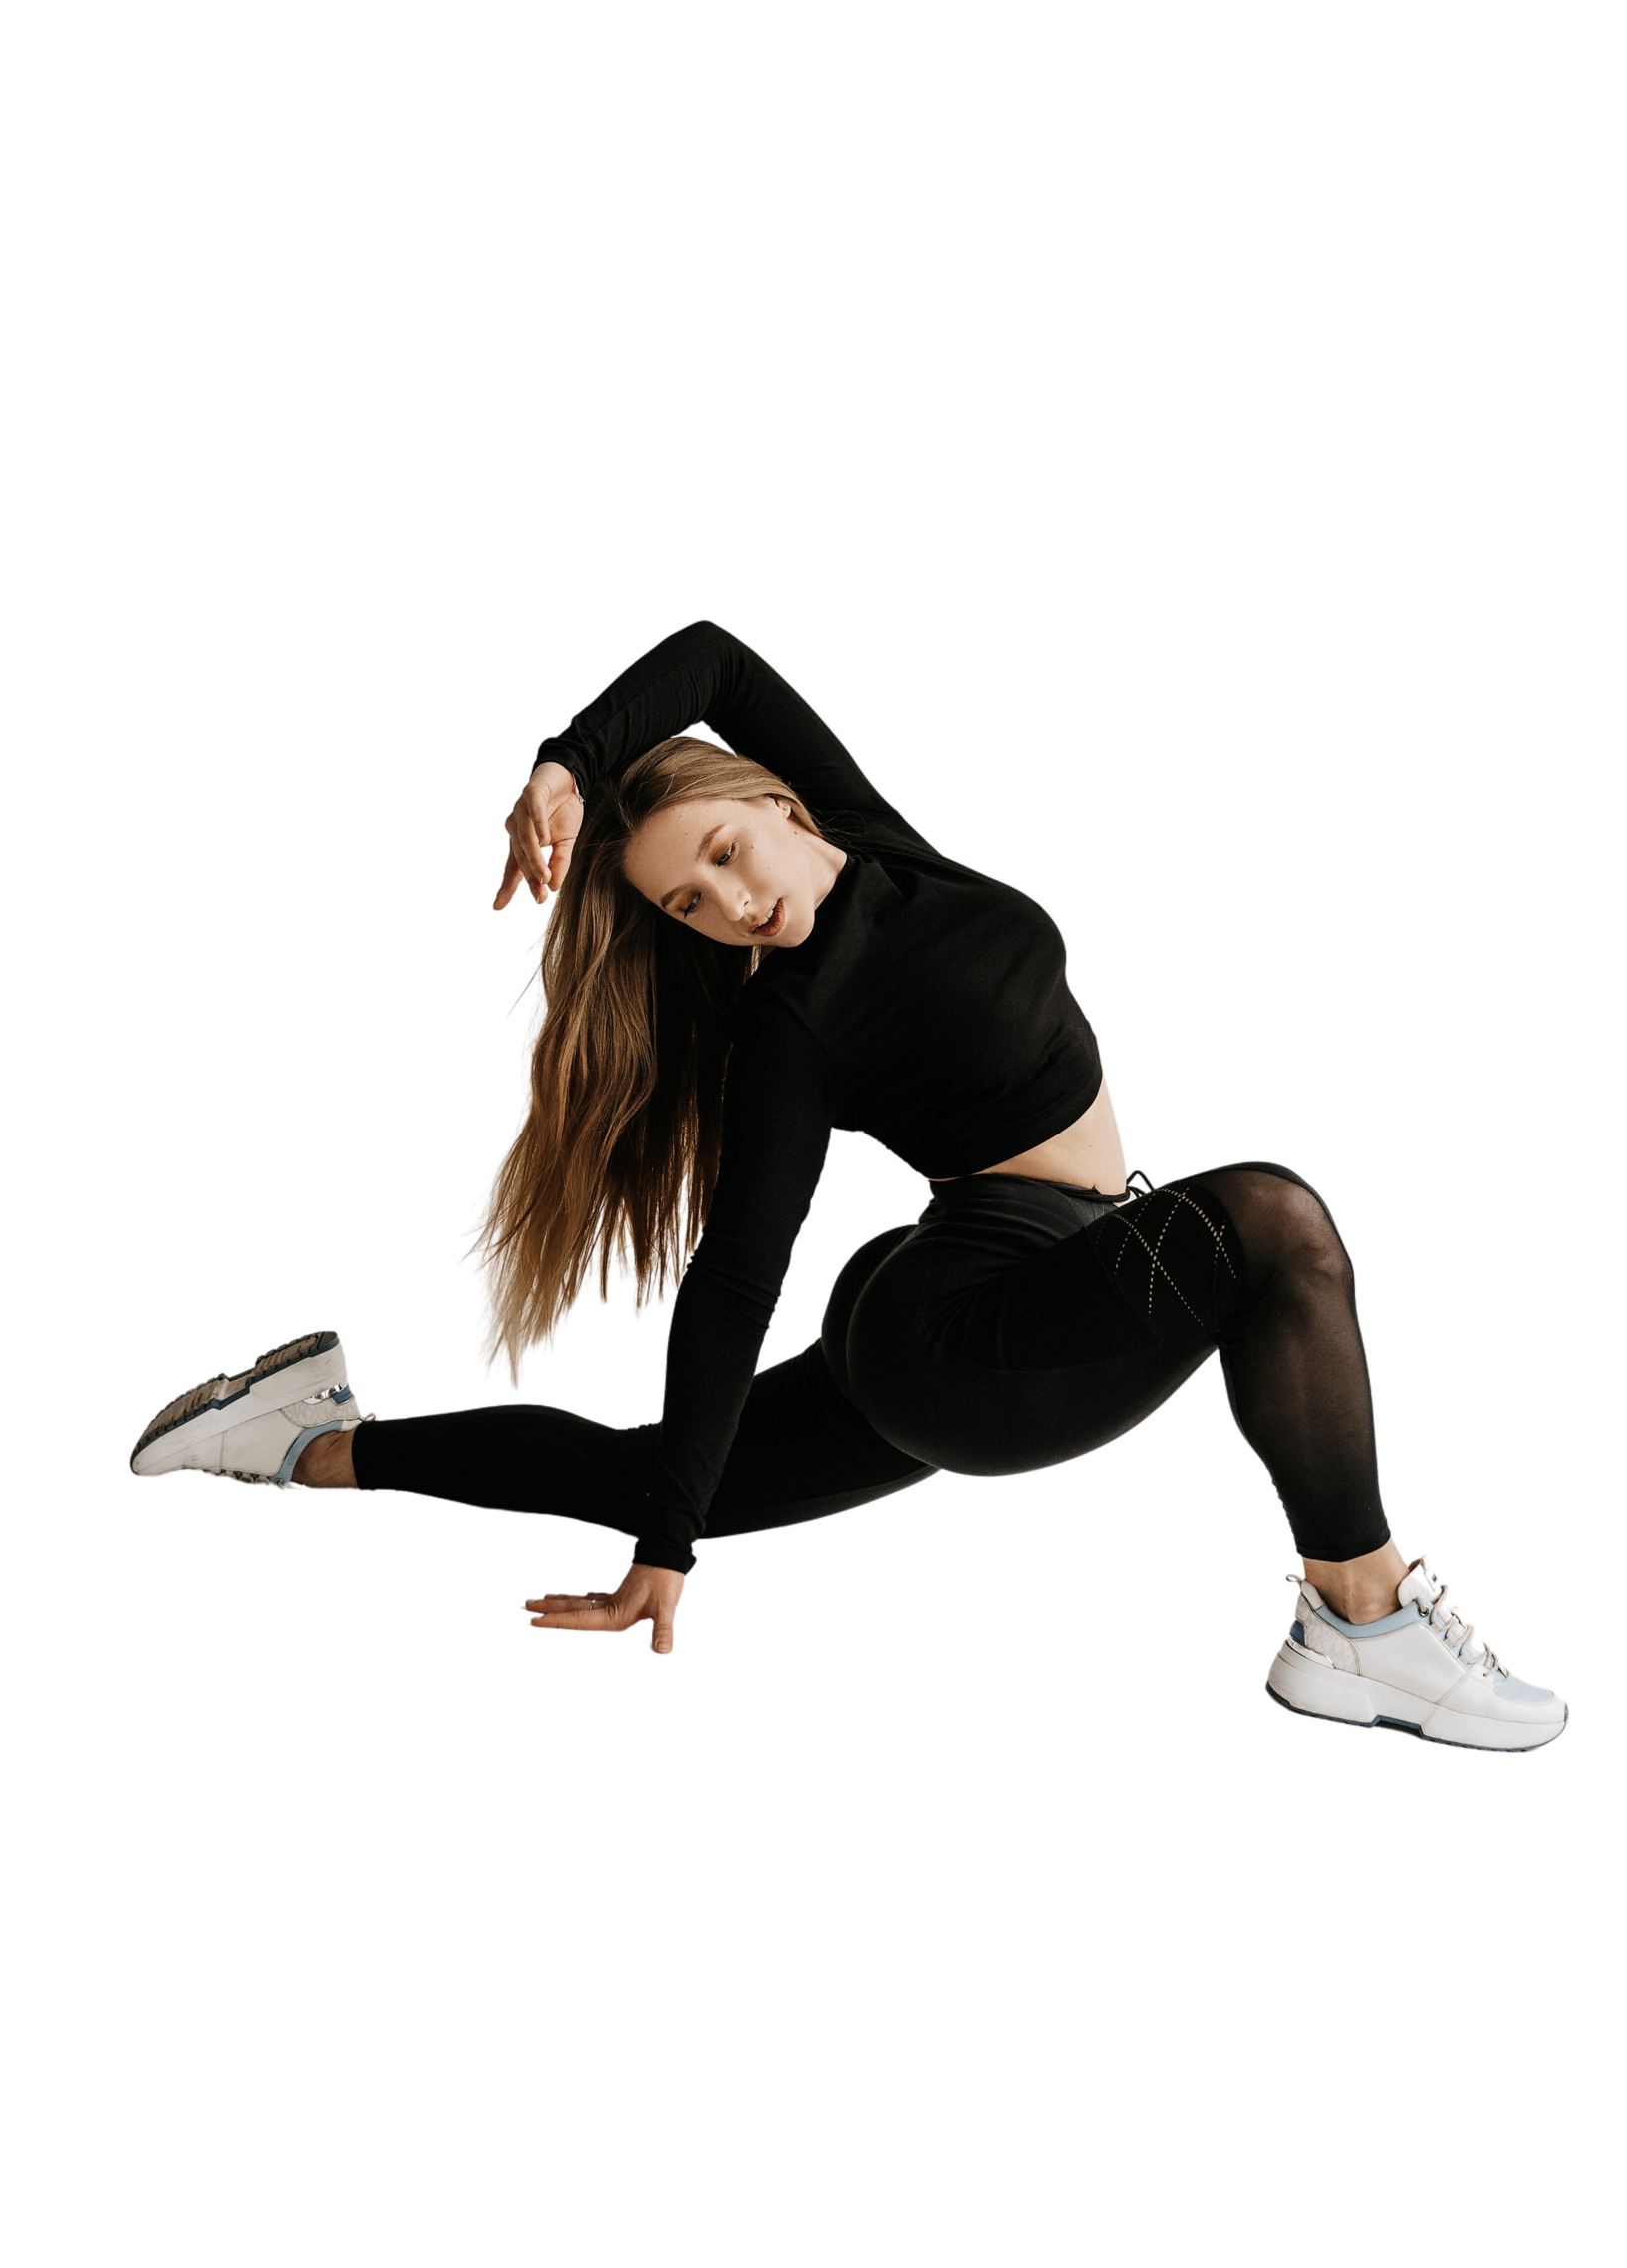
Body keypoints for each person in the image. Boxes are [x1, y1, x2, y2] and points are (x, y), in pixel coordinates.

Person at [129, 621, 1568, 1747]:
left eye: (723, 855)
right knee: (1271, 1225)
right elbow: (738, 1280)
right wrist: (667, 1559)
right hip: (961, 1332)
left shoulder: (874, 841)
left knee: (642, 1472)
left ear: (775, 798)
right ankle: (1364, 1616)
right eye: (692, 905)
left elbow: (714, 653)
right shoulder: (795, 1024)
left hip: (986, 1286)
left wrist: (566, 762)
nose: (735, 904)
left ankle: (305, 1439)